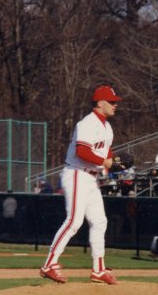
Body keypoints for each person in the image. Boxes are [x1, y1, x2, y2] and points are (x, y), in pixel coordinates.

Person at [39, 85, 122, 284]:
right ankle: (49, 264)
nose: (115, 105)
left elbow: (106, 154)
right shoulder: (87, 123)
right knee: (74, 221)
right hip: (77, 174)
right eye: (112, 102)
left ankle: (98, 269)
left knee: (99, 221)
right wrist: (105, 162)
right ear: (100, 103)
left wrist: (115, 163)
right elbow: (82, 152)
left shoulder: (107, 127)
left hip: (91, 178)